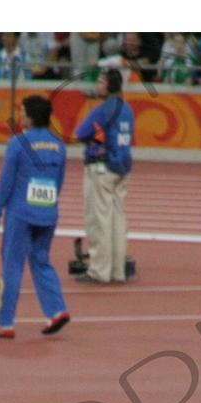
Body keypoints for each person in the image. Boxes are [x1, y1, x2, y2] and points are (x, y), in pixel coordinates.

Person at [0, 94, 70, 339]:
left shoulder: (18, 143)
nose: (19, 116)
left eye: (22, 111)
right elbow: (59, 182)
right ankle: (57, 310)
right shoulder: (59, 145)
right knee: (41, 260)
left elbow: (6, 182)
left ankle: (5, 323)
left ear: (31, 116)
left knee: (12, 266)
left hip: (21, 213)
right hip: (47, 213)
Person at [73, 69, 134, 285]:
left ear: (108, 86)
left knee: (99, 221)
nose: (97, 86)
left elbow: (80, 133)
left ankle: (99, 271)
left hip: (102, 168)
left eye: (100, 82)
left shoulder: (103, 110)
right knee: (118, 220)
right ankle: (118, 270)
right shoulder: (127, 109)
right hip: (122, 166)